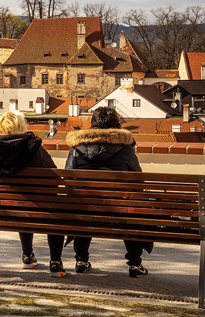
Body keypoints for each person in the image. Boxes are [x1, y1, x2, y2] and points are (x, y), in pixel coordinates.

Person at [64, 105, 149, 277]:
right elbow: (138, 181)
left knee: (83, 206)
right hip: (119, 211)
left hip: (86, 210)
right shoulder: (126, 149)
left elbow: (69, 182)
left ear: (92, 123)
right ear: (116, 124)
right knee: (130, 211)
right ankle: (135, 264)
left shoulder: (76, 149)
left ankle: (81, 260)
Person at [0, 110, 56, 270]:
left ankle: (27, 255)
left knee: (20, 203)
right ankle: (53, 261)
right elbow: (54, 176)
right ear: (21, 126)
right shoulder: (33, 148)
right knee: (35, 204)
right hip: (33, 208)